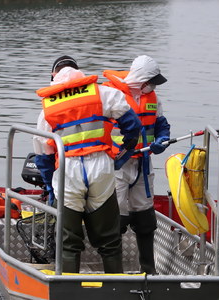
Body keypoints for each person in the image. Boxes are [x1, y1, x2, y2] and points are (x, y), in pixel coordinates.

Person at [32, 56, 141, 273]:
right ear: (79, 72)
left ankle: (68, 289)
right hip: (101, 168)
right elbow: (132, 124)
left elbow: (43, 155)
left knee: (68, 241)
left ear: (54, 76)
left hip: (68, 171)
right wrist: (122, 153)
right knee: (109, 240)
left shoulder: (47, 109)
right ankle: (115, 289)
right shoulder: (103, 93)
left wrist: (48, 186)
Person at [102, 55, 171, 274]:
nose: (152, 85)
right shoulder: (109, 95)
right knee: (116, 216)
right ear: (141, 78)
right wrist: (116, 153)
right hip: (117, 164)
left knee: (145, 216)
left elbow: (161, 125)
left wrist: (162, 140)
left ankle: (149, 270)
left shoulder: (153, 98)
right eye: (151, 80)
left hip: (143, 163)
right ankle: (114, 272)